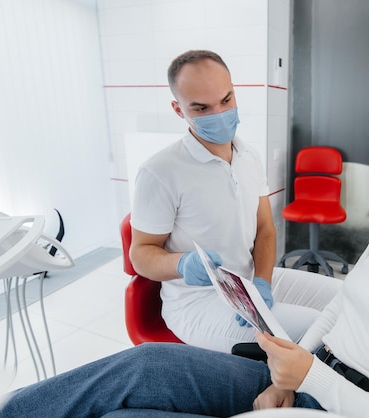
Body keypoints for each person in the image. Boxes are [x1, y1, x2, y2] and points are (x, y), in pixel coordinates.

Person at [0, 120, 369, 418]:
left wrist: (312, 380)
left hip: (347, 404)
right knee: (145, 364)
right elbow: (339, 313)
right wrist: (289, 376)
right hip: (309, 377)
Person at [129, 50, 342, 352]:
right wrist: (181, 263)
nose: (219, 114)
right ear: (179, 110)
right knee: (323, 330)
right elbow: (140, 254)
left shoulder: (249, 157)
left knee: (346, 299)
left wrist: (263, 282)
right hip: (198, 302)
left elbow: (266, 230)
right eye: (202, 108)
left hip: (251, 282)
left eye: (226, 100)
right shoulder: (160, 171)